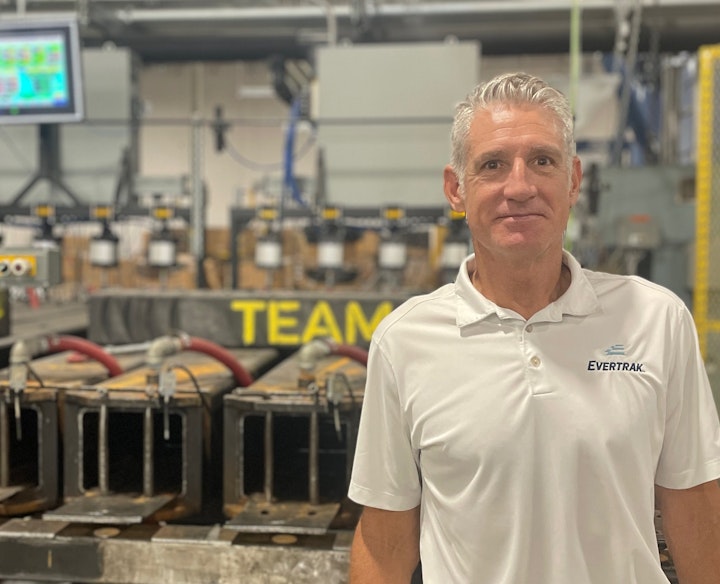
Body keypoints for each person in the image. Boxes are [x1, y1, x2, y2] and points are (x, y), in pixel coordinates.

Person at [347, 71, 720, 583]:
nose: (519, 187)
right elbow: (386, 538)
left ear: (573, 181)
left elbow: (695, 506)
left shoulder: (657, 320)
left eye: (542, 161)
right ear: (456, 189)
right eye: (492, 165)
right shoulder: (404, 342)